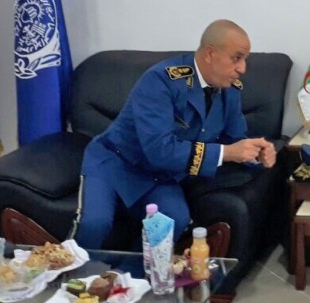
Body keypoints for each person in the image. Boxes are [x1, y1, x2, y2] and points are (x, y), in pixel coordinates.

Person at [72, 19, 276, 248]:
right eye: (236, 58)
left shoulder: (230, 90)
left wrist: (256, 154)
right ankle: (73, 271)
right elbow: (160, 150)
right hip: (115, 163)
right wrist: (227, 152)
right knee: (95, 224)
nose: (242, 69)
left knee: (172, 221)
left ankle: (131, 271)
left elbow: (235, 139)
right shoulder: (161, 81)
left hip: (161, 176)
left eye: (245, 59)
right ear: (210, 54)